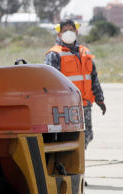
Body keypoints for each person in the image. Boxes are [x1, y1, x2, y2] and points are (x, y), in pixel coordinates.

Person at [45, 19, 105, 147]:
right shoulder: (54, 54)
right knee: (70, 137)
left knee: (87, 135)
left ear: (76, 32)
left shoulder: (85, 52)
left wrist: (100, 99)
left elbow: (93, 77)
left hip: (85, 104)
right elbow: (51, 82)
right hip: (66, 107)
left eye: (71, 30)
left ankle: (77, 162)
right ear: (59, 34)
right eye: (65, 30)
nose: (68, 32)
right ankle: (68, 164)